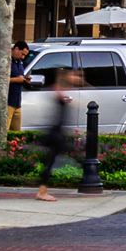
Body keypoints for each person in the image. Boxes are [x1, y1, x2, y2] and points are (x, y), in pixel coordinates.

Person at [34, 66, 86, 201]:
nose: (76, 77)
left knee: (51, 161)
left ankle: (42, 190)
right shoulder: (58, 88)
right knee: (76, 155)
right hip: (56, 134)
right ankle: (42, 191)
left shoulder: (61, 90)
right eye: (73, 75)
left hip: (57, 133)